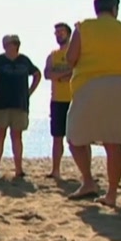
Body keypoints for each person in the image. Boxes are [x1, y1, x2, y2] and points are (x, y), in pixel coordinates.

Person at [66, 0, 121, 207]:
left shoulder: (84, 27)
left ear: (96, 8)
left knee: (74, 137)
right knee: (113, 140)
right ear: (115, 9)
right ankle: (111, 194)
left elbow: (71, 59)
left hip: (88, 84)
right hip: (119, 84)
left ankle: (88, 181)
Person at [0, 34, 41, 178]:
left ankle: (19, 169)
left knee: (17, 136)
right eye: (6, 43)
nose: (8, 45)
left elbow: (37, 74)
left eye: (11, 43)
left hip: (20, 103)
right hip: (0, 103)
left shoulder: (24, 60)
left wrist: (30, 91)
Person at [43, 22, 73, 179]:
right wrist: (65, 74)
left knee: (80, 138)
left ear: (68, 34)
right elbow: (48, 74)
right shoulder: (53, 55)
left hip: (74, 99)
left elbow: (76, 72)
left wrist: (59, 74)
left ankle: (86, 171)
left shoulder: (75, 53)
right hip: (57, 101)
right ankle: (56, 170)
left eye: (61, 32)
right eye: (56, 33)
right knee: (57, 137)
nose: (58, 35)